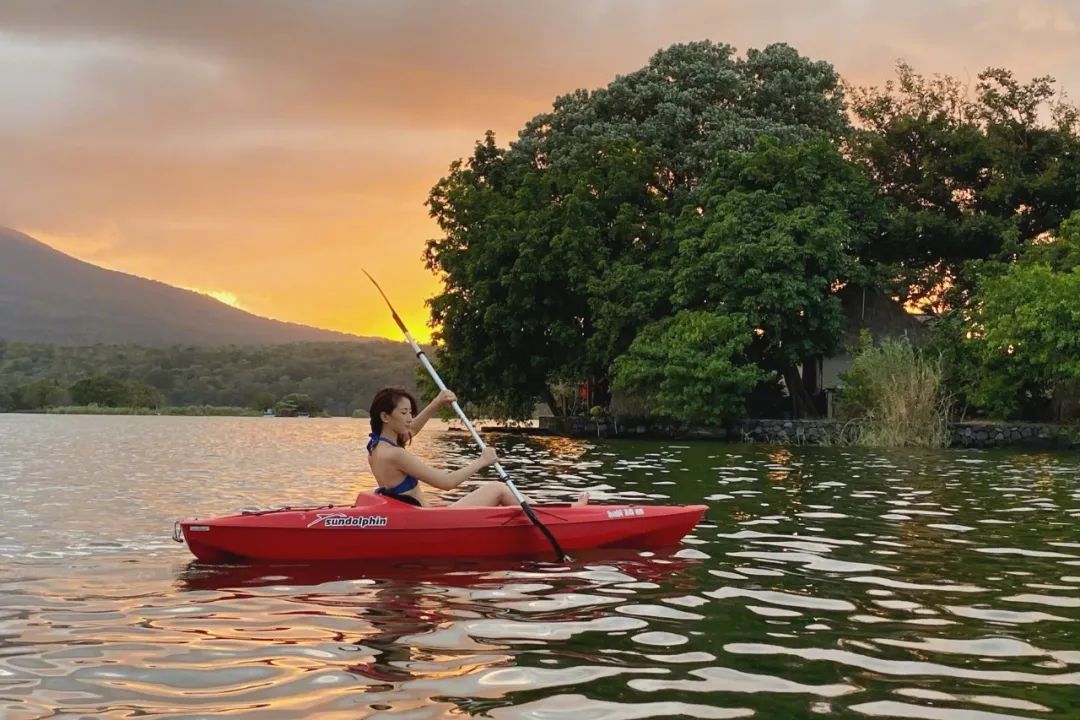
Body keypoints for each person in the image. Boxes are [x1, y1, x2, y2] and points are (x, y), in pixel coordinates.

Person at [365, 386, 539, 508]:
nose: (409, 418)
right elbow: (447, 483)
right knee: (498, 488)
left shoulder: (376, 449)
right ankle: (552, 517)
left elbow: (410, 431)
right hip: (428, 520)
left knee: (497, 491)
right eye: (404, 413)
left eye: (411, 412)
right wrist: (482, 461)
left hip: (421, 513)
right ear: (385, 417)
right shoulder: (395, 455)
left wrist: (437, 402)